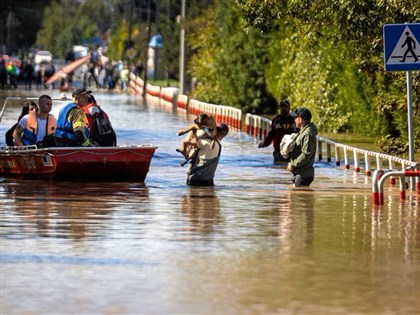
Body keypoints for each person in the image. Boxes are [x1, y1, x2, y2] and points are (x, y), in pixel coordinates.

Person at [258, 99, 299, 164]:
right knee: (278, 168)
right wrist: (264, 143)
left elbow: (299, 132)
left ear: (289, 108)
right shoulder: (276, 120)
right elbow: (271, 134)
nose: (283, 108)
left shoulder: (294, 119)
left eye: (285, 107)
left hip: (291, 151)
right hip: (278, 150)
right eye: (282, 107)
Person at [287, 107, 318, 187]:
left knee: (299, 199)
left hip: (303, 174)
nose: (294, 120)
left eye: (295, 117)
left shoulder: (307, 133)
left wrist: (293, 164)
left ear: (300, 119)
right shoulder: (304, 132)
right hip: (301, 173)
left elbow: (305, 155)